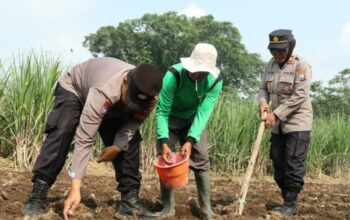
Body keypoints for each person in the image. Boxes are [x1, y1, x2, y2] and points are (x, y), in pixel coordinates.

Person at [22, 57, 164, 219]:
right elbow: (85, 139)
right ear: (125, 81)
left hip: (113, 103)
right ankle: (38, 193)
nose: (133, 105)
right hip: (75, 89)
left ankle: (129, 200)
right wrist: (75, 188)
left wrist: (117, 146)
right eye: (131, 99)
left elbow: (134, 122)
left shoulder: (149, 96)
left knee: (130, 141)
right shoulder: (104, 90)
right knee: (63, 129)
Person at [155, 43, 223, 219]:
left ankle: (206, 209)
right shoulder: (173, 75)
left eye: (200, 72)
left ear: (208, 71)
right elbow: (162, 111)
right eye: (193, 69)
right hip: (170, 117)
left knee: (201, 159)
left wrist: (190, 140)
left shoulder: (215, 81)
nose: (194, 73)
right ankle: (168, 208)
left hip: (193, 118)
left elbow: (204, 112)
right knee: (166, 159)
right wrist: (164, 142)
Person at [259, 29, 313, 216]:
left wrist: (277, 113)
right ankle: (286, 202)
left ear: (290, 47)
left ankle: (291, 203)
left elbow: (300, 95)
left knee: (293, 162)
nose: (277, 54)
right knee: (277, 160)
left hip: (297, 124)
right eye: (274, 50)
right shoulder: (270, 65)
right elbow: (263, 89)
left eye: (281, 49)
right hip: (277, 125)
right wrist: (263, 103)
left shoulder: (301, 66)